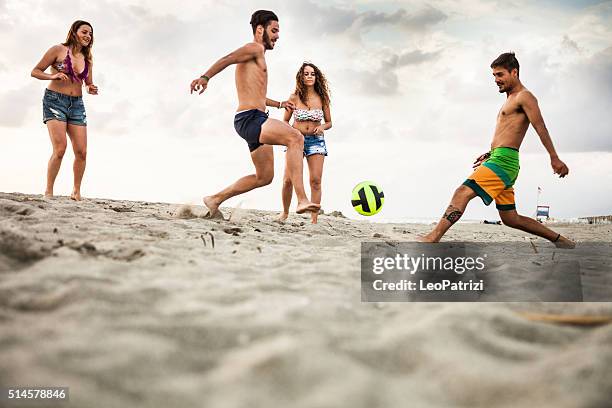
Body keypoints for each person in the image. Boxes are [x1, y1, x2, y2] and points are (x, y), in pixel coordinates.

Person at [419, 52, 575, 248]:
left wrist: (554, 158)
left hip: (504, 162)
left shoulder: (525, 96)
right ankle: (561, 241)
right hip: (500, 158)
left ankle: (433, 237)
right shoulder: (510, 99)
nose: (496, 80)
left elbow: (540, 126)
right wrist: (491, 152)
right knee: (511, 218)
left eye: (500, 75)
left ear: (514, 72)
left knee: (462, 192)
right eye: (494, 75)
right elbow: (508, 133)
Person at [190, 10, 320, 218]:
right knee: (296, 137)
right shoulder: (254, 48)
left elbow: (258, 95)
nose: (278, 36)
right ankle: (302, 199)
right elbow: (228, 58)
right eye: (274, 30)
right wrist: (205, 77)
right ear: (260, 30)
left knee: (264, 177)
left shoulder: (257, 56)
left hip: (252, 118)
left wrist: (279, 104)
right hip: (250, 118)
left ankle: (215, 199)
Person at [31, 20, 98, 201]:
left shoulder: (88, 59)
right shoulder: (57, 50)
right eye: (84, 32)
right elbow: (35, 71)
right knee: (60, 149)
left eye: (90, 34)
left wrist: (90, 88)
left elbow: (88, 83)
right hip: (54, 101)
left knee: (82, 152)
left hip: (77, 104)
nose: (87, 36)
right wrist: (52, 75)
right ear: (74, 32)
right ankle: (49, 191)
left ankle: (76, 191)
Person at [278, 62, 332, 224]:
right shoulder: (294, 97)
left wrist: (322, 126)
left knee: (315, 181)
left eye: (312, 74)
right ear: (301, 77)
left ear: (317, 77)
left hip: (316, 141)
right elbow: (285, 121)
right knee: (288, 180)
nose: (309, 76)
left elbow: (329, 122)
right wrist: (293, 135)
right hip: (296, 141)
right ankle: (285, 213)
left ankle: (314, 220)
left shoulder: (323, 98)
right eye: (306, 74)